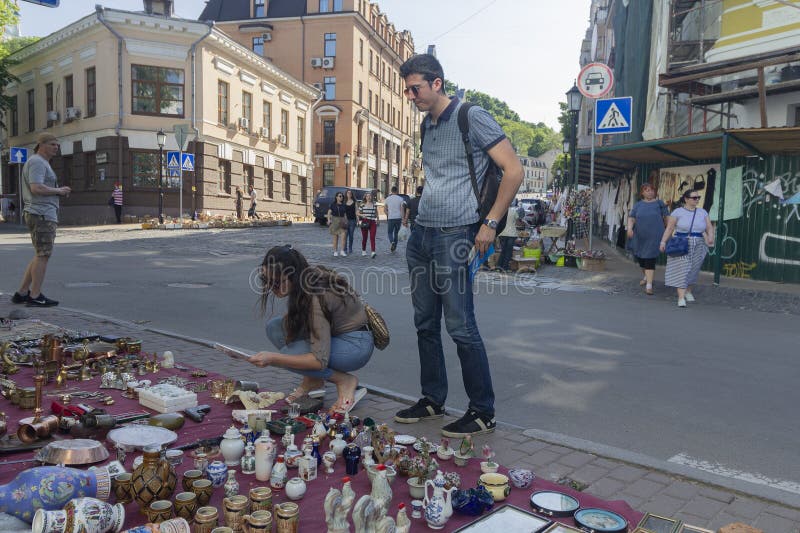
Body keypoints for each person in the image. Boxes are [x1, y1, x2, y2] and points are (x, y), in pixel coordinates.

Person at [394, 54, 523, 437]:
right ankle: (433, 399)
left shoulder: (472, 116)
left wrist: (491, 221)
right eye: (407, 89)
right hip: (422, 234)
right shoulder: (426, 126)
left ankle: (482, 411)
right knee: (424, 323)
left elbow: (513, 170)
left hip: (456, 235)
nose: (410, 95)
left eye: (414, 88)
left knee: (461, 325)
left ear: (437, 83)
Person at [251, 245, 373, 413]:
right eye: (266, 280)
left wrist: (273, 358)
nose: (271, 287)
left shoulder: (315, 296)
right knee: (276, 328)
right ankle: (313, 381)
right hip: (339, 336)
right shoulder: (305, 279)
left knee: (289, 355)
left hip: (355, 346)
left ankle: (344, 381)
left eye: (276, 282)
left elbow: (318, 360)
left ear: (292, 276)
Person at [12, 133, 71, 307]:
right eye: (52, 144)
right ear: (41, 145)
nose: (56, 147)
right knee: (43, 255)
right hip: (41, 213)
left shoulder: (40, 162)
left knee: (40, 254)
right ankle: (35, 295)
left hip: (40, 212)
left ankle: (22, 293)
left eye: (57, 145)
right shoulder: (37, 162)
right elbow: (36, 187)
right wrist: (59, 191)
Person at [659, 189, 715, 308]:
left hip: (699, 242)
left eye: (698, 197)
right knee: (682, 269)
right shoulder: (677, 212)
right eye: (694, 198)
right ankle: (681, 297)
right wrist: (663, 242)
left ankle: (688, 291)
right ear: (686, 199)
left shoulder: (703, 212)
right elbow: (669, 228)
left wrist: (710, 237)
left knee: (694, 269)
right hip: (682, 242)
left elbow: (709, 227)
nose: (697, 200)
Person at [627, 183, 668, 295]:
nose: (650, 192)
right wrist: (630, 228)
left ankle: (649, 285)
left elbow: (667, 219)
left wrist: (668, 231)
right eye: (647, 190)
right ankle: (646, 276)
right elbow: (631, 218)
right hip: (640, 236)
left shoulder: (660, 204)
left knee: (650, 258)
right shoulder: (638, 205)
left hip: (655, 236)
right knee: (641, 258)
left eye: (651, 190)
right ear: (642, 193)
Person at [496, 200, 521, 272]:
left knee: (503, 250)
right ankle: (505, 267)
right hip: (511, 234)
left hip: (502, 233)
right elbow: (517, 222)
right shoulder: (513, 211)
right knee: (508, 251)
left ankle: (499, 267)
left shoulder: (500, 211)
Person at [383, 185, 405, 252]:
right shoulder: (400, 199)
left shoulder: (387, 199)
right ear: (397, 191)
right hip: (398, 218)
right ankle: (394, 247)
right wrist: (403, 218)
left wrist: (388, 214)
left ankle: (392, 242)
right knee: (396, 233)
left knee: (390, 232)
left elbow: (385, 210)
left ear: (391, 191)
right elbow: (402, 209)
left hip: (391, 218)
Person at [327, 191, 348, 256]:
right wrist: (329, 220)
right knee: (335, 237)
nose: (341, 197)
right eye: (340, 196)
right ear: (336, 197)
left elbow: (345, 214)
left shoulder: (344, 205)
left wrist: (346, 220)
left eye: (342, 196)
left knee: (344, 236)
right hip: (335, 220)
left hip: (342, 221)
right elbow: (329, 212)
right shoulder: (333, 204)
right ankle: (335, 251)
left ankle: (342, 251)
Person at [359, 191, 379, 258]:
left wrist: (378, 220)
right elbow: (357, 213)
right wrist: (362, 215)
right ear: (365, 197)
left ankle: (373, 252)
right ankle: (363, 250)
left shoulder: (374, 204)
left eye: (370, 196)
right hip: (365, 221)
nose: (369, 197)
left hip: (373, 222)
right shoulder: (362, 205)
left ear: (371, 197)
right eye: (367, 196)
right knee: (365, 237)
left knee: (372, 237)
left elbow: (376, 213)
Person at [343, 189, 358, 255]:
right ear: (346, 194)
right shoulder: (344, 202)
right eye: (348, 193)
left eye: (350, 193)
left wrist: (358, 220)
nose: (349, 194)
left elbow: (356, 211)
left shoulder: (355, 202)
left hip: (353, 220)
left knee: (351, 235)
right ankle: (345, 249)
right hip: (346, 221)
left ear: (352, 194)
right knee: (345, 235)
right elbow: (343, 212)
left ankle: (350, 248)